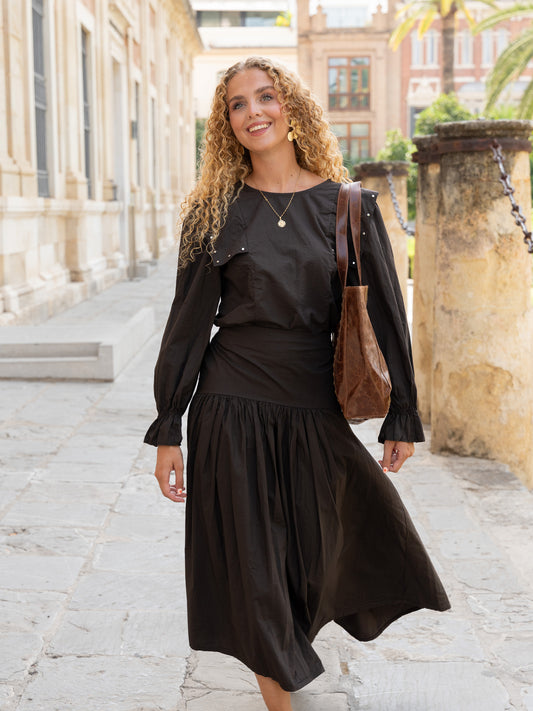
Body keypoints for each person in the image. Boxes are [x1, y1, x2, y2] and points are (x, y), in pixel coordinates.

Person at [145, 56, 450, 711]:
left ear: (292, 108)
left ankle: (287, 650)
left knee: (322, 548)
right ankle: (279, 694)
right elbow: (187, 323)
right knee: (253, 566)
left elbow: (386, 317)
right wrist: (169, 426)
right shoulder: (213, 212)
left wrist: (402, 413)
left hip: (313, 402)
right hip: (230, 403)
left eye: (266, 96)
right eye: (237, 104)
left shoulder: (348, 206)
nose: (253, 112)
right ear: (225, 123)